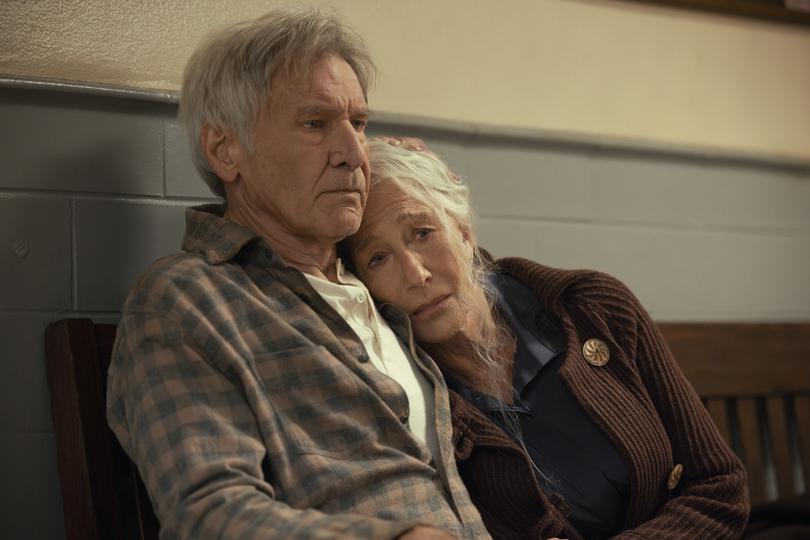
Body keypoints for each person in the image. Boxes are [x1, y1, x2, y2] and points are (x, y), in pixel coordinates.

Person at [106, 11, 490, 540]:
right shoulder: (187, 299)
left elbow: (477, 285)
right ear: (225, 150)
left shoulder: (374, 276)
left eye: (358, 123)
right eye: (315, 124)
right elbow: (209, 515)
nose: (354, 155)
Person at [342, 138, 751, 540]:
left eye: (423, 232)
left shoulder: (592, 307)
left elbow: (719, 484)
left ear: (463, 230)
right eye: (377, 258)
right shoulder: (408, 399)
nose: (415, 274)